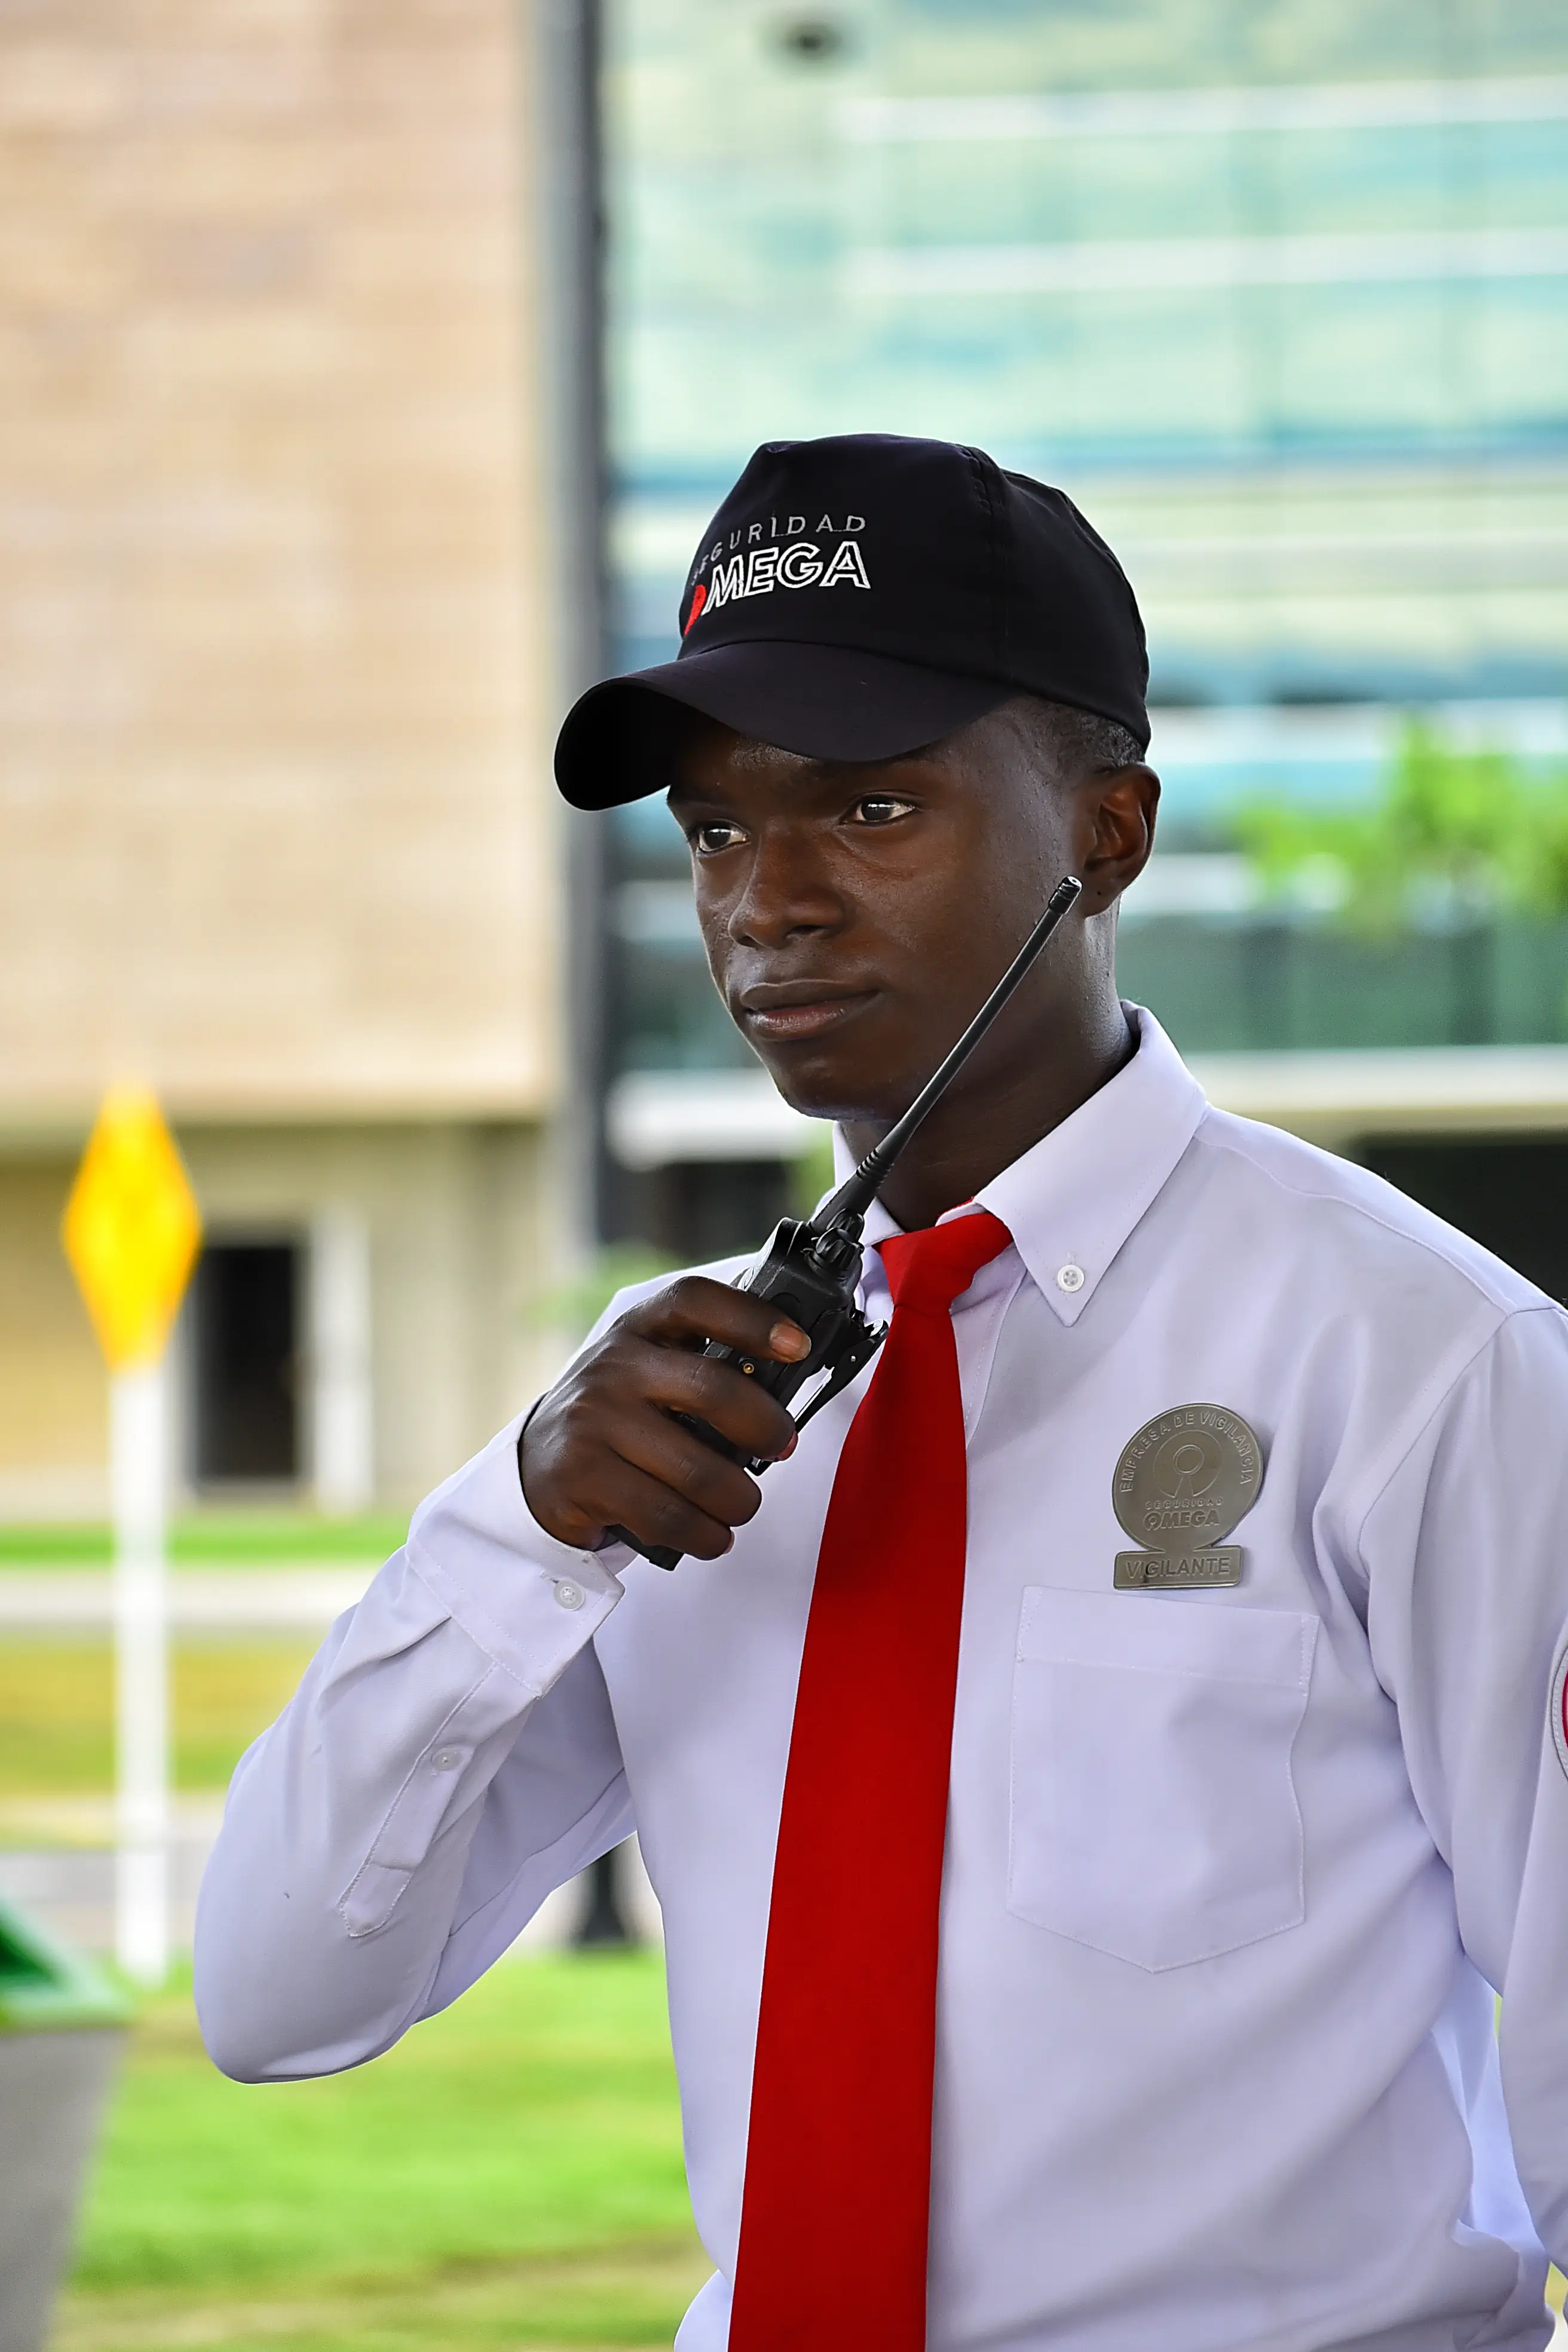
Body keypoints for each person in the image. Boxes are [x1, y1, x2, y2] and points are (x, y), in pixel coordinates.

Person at [194, 434, 1568, 2352]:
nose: (768, 903)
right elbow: (277, 1997)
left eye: (870, 811)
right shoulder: (677, 1419)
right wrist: (514, 1524)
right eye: (713, 830)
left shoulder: (1423, 1365)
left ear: (1107, 832)